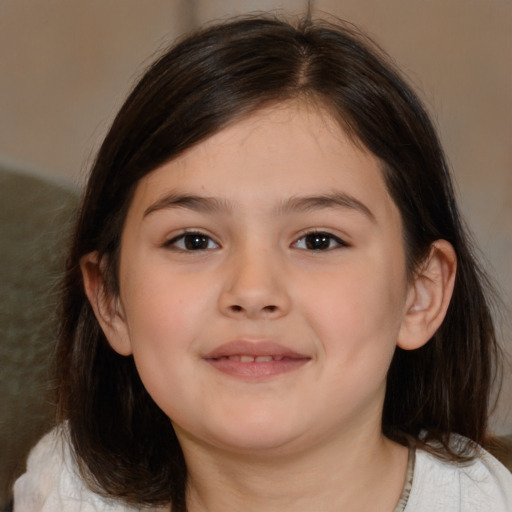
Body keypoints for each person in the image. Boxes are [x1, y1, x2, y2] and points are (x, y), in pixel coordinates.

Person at [13, 14, 512, 512]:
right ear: (111, 300)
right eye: (192, 241)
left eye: (318, 241)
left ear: (419, 295)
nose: (252, 292)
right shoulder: (69, 492)